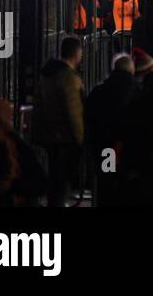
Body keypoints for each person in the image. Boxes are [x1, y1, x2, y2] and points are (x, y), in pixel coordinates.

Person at [32, 35, 85, 207]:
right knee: (62, 181)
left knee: (55, 178)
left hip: (48, 134)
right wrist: (80, 138)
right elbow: (74, 111)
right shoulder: (68, 78)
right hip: (64, 137)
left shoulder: (47, 75)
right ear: (77, 53)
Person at [84, 52, 137, 206]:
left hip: (105, 147)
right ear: (131, 70)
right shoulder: (136, 91)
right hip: (127, 149)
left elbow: (88, 117)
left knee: (105, 183)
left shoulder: (98, 91)